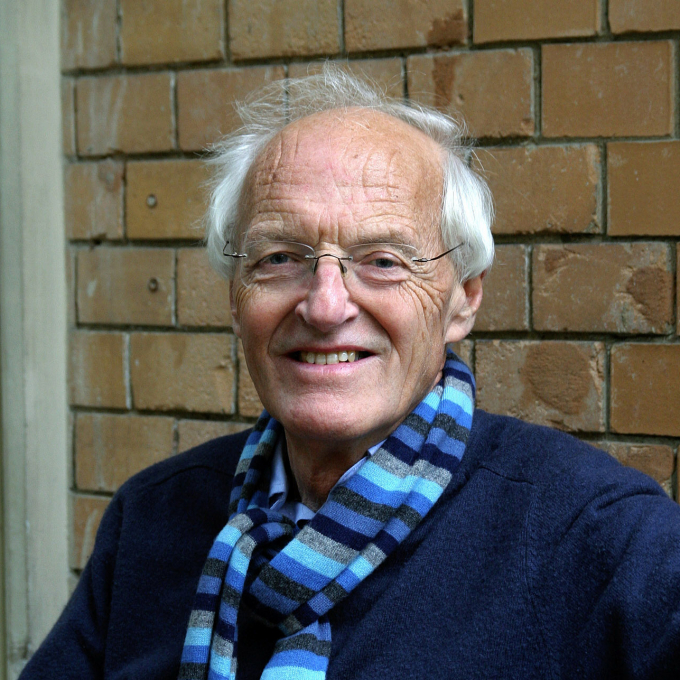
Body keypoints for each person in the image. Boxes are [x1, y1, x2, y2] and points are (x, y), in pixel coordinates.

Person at [21, 68, 680, 680]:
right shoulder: (152, 520)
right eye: (280, 258)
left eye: (384, 261)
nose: (326, 305)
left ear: (464, 298)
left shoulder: (601, 539)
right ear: (235, 300)